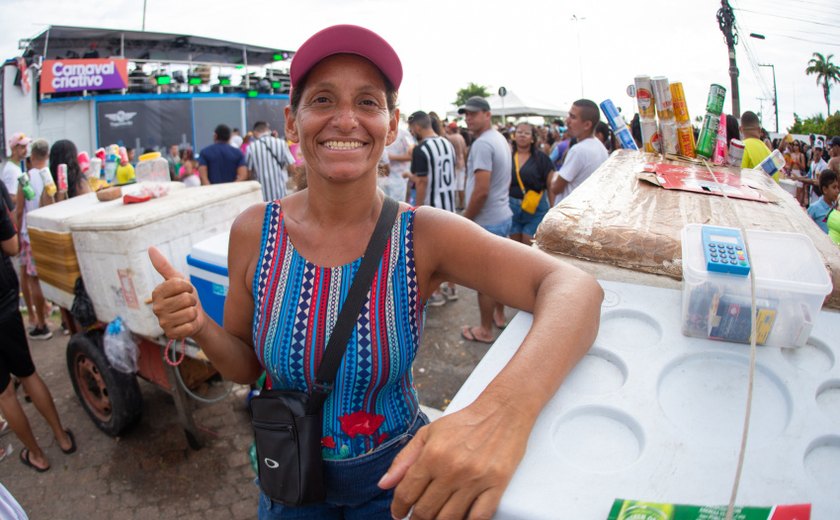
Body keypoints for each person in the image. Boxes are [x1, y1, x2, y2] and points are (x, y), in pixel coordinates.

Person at [147, 24, 602, 520]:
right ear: (292, 124)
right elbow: (246, 367)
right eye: (322, 100)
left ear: (390, 124)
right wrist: (199, 326)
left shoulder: (422, 235)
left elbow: (573, 288)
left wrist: (500, 415)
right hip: (289, 480)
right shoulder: (255, 231)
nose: (345, 120)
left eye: (367, 102)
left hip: (395, 485)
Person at [0, 180, 76, 472]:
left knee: (4, 393)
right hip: (4, 300)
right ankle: (62, 438)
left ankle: (37, 455)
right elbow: (11, 245)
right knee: (27, 373)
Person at [458, 96, 515, 343]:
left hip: (488, 220)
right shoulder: (498, 138)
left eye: (473, 113)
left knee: (486, 281)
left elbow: (481, 190)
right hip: (501, 216)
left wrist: (465, 221)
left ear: (487, 114)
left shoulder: (483, 144)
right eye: (466, 114)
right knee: (500, 275)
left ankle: (484, 329)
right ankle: (499, 316)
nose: (468, 118)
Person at [407, 110, 458, 305]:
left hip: (432, 209)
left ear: (417, 127)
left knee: (431, 253)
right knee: (451, 252)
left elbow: (422, 182)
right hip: (449, 205)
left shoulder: (421, 149)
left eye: (412, 129)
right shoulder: (447, 143)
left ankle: (435, 293)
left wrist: (417, 208)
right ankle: (452, 288)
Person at [14, 139, 53, 341]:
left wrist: (17, 237)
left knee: (34, 280)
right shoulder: (50, 177)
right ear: (46, 155)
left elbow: (19, 211)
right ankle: (64, 322)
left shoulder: (25, 178)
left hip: (29, 235)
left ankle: (42, 324)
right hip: (49, 232)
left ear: (32, 156)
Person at [550, 99, 609, 205]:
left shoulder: (578, 150)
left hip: (570, 212)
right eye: (569, 115)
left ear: (587, 125)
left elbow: (556, 188)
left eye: (573, 117)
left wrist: (554, 176)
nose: (567, 121)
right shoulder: (601, 147)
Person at [509, 122, 555, 245]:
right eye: (519, 132)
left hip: (535, 207)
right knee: (514, 245)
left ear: (533, 138)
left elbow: (550, 184)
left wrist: (552, 207)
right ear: (514, 135)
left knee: (528, 242)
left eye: (526, 133)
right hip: (512, 206)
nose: (522, 135)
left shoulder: (542, 158)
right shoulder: (508, 156)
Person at [246, 121, 298, 202]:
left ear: (255, 132)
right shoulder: (281, 143)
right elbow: (292, 166)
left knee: (265, 214)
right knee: (278, 214)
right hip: (280, 194)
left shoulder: (251, 147)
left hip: (261, 196)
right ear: (267, 130)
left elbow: (248, 173)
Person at [383, 126, 414, 202]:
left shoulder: (404, 134)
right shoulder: (380, 131)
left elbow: (412, 156)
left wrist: (390, 157)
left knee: (397, 207)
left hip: (398, 178)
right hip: (382, 178)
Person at [445, 122, 468, 210]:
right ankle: (462, 204)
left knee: (455, 187)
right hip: (462, 163)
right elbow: (465, 151)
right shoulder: (460, 136)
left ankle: (455, 205)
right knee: (461, 186)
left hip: (455, 165)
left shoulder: (451, 138)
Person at [808, 170, 838, 234]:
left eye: (837, 187)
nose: (837, 191)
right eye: (834, 187)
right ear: (825, 190)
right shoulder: (814, 208)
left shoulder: (836, 208)